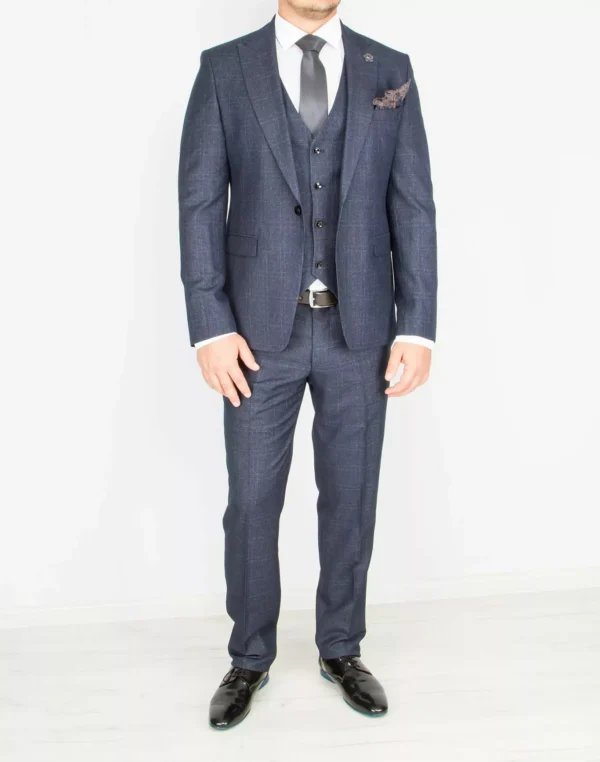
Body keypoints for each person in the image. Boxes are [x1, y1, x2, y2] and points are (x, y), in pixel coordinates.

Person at [178, 0, 437, 730]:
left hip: (363, 328)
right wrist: (210, 327)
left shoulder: (390, 69)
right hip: (258, 334)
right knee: (252, 502)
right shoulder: (225, 69)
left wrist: (418, 326)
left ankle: (342, 648)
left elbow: (413, 204)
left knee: (352, 497)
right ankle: (249, 656)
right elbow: (199, 202)